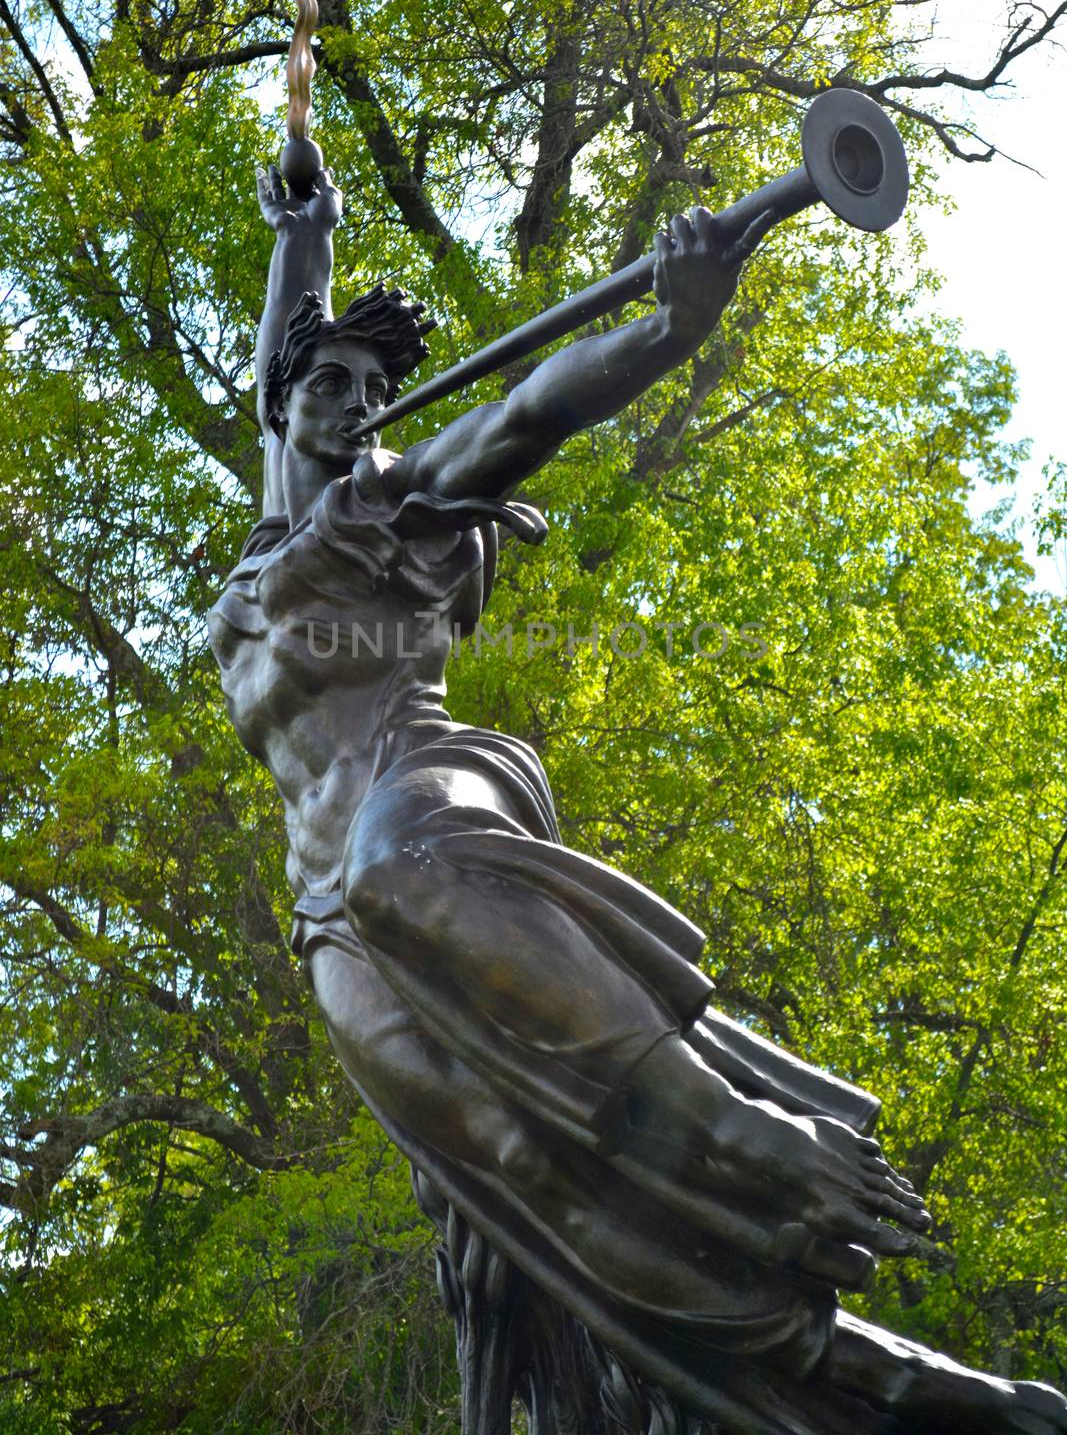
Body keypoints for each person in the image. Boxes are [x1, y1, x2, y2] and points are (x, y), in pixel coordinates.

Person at [208, 162, 1067, 1434]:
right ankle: (930, 1395)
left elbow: (526, 415)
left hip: (422, 794)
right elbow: (283, 367)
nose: (357, 406)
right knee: (517, 1187)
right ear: (283, 400)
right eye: (330, 385)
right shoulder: (263, 547)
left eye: (377, 393)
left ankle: (736, 1130)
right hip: (327, 914)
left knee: (400, 866)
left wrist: (671, 323)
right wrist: (306, 232)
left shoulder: (389, 502)